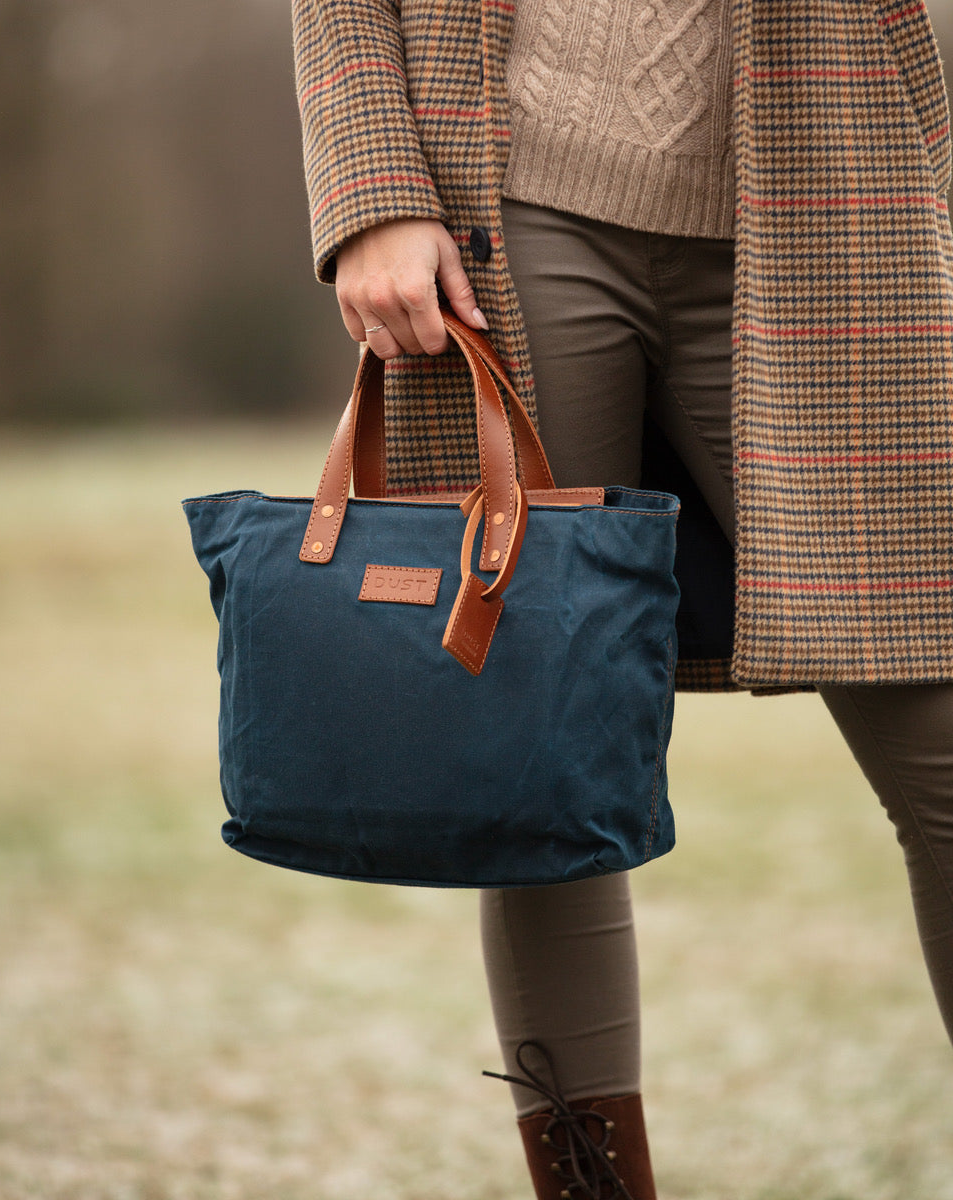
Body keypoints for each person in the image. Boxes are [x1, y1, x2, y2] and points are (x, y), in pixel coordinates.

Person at [291, 1, 953, 1196]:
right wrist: (370, 184)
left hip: (827, 184)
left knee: (938, 722)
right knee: (543, 761)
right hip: (505, 200)